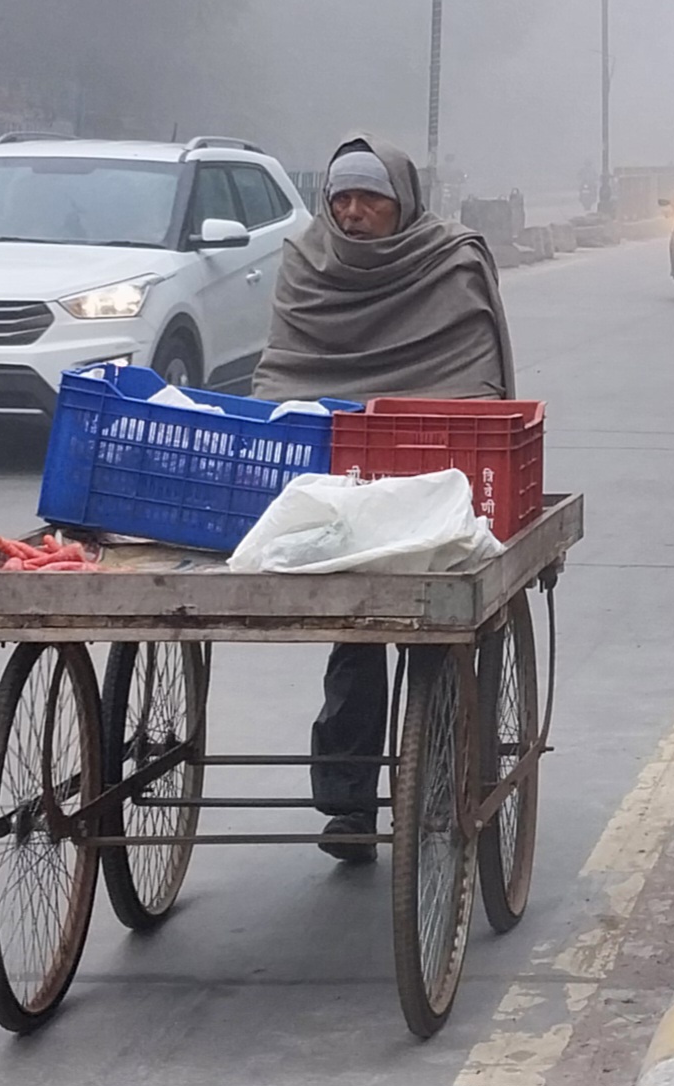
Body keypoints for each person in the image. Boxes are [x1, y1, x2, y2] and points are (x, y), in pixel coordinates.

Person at [252, 134, 517, 863]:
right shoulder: (306, 261)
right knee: (355, 645)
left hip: (435, 482)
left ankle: (445, 780)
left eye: (372, 197)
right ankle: (346, 808)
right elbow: (284, 379)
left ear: (403, 203)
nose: (355, 211)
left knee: (442, 641)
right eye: (342, 197)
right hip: (343, 496)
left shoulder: (451, 259)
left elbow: (477, 381)